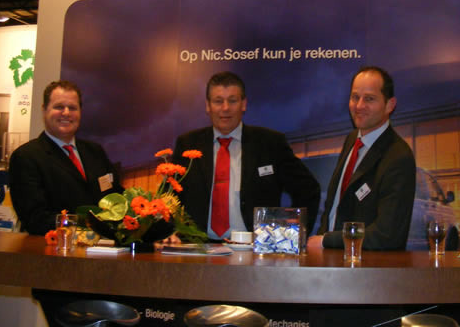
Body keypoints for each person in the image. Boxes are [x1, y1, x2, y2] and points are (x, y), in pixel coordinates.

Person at [171, 71, 321, 239]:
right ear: (208, 106)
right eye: (218, 101)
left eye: (232, 100)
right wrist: (169, 234)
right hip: (198, 247)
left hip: (254, 248)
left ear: (243, 104)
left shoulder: (271, 143)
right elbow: (169, 199)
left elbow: (308, 190)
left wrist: (290, 236)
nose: (225, 108)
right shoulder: (187, 145)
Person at [308, 66, 416, 251]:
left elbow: (387, 235)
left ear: (390, 105)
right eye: (355, 97)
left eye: (369, 99)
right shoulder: (352, 140)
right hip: (333, 260)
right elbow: (334, 207)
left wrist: (327, 241)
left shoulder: (399, 157)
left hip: (367, 266)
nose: (359, 106)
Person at [9, 80, 122, 235]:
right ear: (44, 110)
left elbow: (116, 196)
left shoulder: (95, 151)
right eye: (59, 107)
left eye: (73, 108)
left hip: (104, 247)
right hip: (57, 248)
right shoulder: (26, 157)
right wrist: (91, 224)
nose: (66, 113)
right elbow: (35, 219)